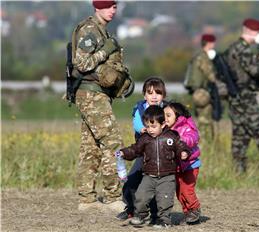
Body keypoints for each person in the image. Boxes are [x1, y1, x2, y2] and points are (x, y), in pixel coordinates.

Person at [72, 0, 126, 211]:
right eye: (110, 6)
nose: (114, 9)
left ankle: (87, 199)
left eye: (115, 6)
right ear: (98, 7)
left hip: (94, 95)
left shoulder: (100, 30)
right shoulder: (90, 30)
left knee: (91, 146)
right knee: (113, 143)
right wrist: (105, 51)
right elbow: (81, 63)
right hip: (91, 94)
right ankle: (113, 197)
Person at [223, 18, 259, 179]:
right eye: (258, 33)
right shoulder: (244, 49)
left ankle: (239, 171)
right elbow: (256, 71)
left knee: (240, 134)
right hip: (245, 98)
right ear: (252, 32)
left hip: (235, 99)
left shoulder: (232, 48)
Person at [118, 105, 190, 228]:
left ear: (162, 124)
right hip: (148, 176)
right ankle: (141, 215)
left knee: (164, 200)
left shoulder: (171, 136)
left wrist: (184, 153)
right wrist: (124, 153)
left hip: (167, 176)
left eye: (153, 126)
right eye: (147, 126)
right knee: (141, 196)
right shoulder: (145, 139)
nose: (150, 129)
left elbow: (181, 146)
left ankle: (164, 220)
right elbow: (135, 149)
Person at [117, 77, 166, 222]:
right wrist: (144, 129)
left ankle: (157, 215)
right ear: (144, 95)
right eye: (150, 93)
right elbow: (137, 123)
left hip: (163, 155)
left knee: (158, 186)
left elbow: (173, 123)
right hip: (143, 153)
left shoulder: (167, 109)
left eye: (158, 93)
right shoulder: (140, 108)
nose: (154, 96)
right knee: (131, 182)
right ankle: (131, 209)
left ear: (163, 95)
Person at [164, 102, 201, 224]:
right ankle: (188, 213)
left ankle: (195, 209)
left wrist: (181, 140)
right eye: (163, 115)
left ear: (178, 116)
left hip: (190, 165)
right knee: (179, 192)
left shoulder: (186, 127)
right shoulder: (166, 130)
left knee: (186, 190)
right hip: (177, 167)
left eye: (168, 115)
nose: (165, 118)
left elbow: (193, 137)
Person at [184, 34, 218, 140]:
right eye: (213, 43)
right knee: (205, 120)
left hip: (195, 92)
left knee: (201, 118)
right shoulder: (204, 57)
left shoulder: (197, 56)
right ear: (209, 44)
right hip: (201, 93)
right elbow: (211, 76)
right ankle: (204, 143)